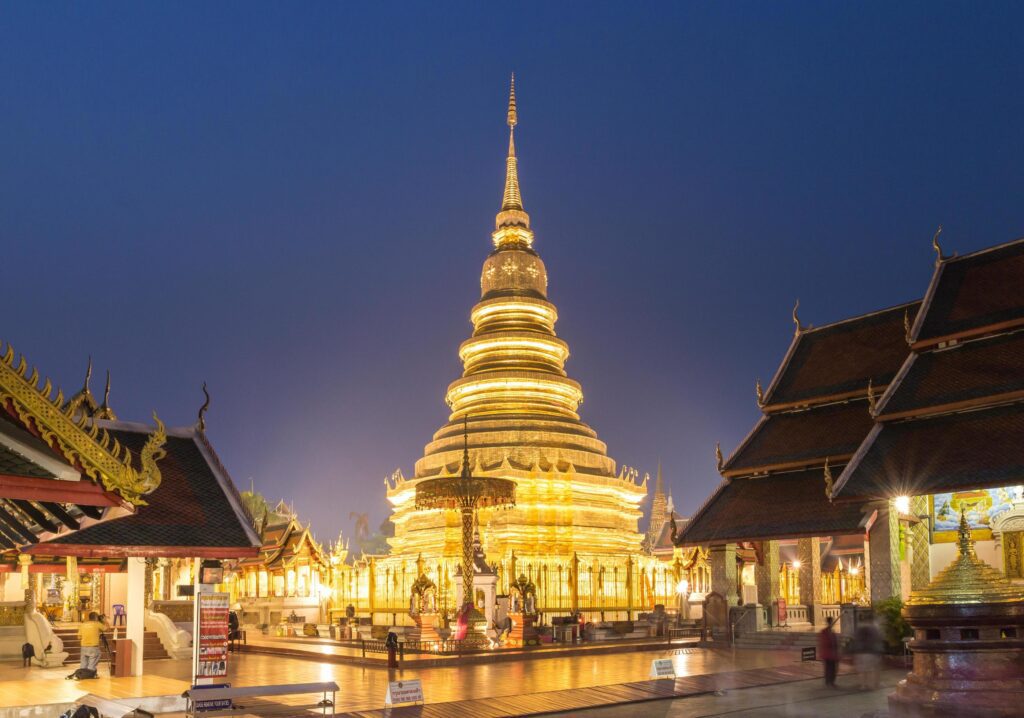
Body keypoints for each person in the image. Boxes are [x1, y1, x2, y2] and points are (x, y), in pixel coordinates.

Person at [852, 620, 884, 690]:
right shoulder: (874, 628)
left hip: (860, 652)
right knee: (871, 669)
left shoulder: (859, 628)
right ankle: (872, 685)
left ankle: (863, 685)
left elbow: (855, 639)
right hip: (871, 652)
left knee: (862, 670)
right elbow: (878, 639)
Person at [817, 616, 840, 687]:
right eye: (831, 622)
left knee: (833, 668)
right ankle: (828, 681)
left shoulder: (832, 632)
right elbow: (824, 643)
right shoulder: (824, 632)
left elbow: (835, 643)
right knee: (828, 668)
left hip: (832, 653)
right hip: (827, 653)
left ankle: (831, 681)